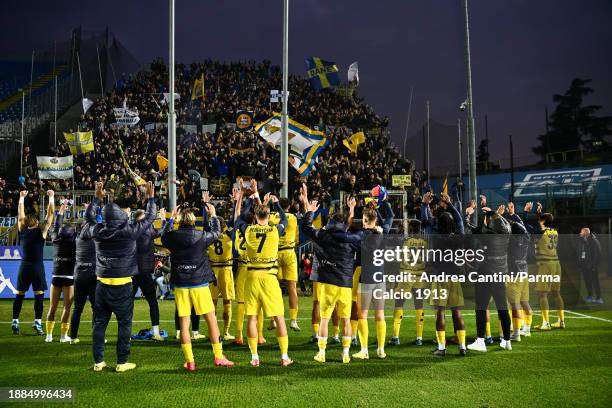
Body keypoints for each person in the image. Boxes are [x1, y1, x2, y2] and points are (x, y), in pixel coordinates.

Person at [87, 181, 157, 372]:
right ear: (122, 216)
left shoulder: (98, 231)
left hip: (101, 285)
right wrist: (150, 198)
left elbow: (89, 217)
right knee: (124, 324)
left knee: (99, 324)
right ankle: (121, 362)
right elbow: (151, 216)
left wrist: (96, 199)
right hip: (123, 285)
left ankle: (98, 362)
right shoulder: (130, 231)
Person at [161, 203, 234, 372]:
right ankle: (218, 356)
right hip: (199, 283)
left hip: (181, 283)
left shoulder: (172, 236)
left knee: (184, 323)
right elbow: (216, 233)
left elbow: (163, 236)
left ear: (180, 221)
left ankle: (190, 361)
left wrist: (170, 218)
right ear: (194, 222)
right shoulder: (201, 236)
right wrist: (214, 214)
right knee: (211, 320)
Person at [300, 183, 362, 364]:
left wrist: (310, 211)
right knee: (346, 321)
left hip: (328, 283)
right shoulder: (350, 239)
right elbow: (351, 230)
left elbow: (306, 228)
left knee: (325, 319)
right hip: (345, 285)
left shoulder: (324, 236)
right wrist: (352, 210)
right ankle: (345, 353)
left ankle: (321, 353)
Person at [234, 186, 293, 367]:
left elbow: (237, 221)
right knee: (279, 318)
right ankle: (284, 357)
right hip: (269, 277)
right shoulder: (275, 231)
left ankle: (254, 357)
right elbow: (284, 219)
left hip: (251, 277)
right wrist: (277, 204)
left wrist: (248, 200)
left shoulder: (249, 230)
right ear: (268, 216)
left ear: (255, 216)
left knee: (251, 317)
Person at [351, 190, 394, 360]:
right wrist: (381, 203)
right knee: (380, 315)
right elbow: (390, 216)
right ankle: (381, 349)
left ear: (365, 221)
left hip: (367, 280)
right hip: (380, 279)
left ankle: (364, 350)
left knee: (362, 315)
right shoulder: (384, 232)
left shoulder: (362, 236)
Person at [467, 205, 513, 352]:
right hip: (500, 275)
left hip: (486, 274)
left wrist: (468, 215)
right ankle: (506, 341)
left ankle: (480, 341)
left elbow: (470, 228)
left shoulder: (485, 233)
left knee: (480, 307)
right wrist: (497, 215)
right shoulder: (506, 232)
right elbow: (503, 224)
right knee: (503, 308)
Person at [12, 189, 54, 336]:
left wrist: (21, 198)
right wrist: (51, 198)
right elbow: (50, 216)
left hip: (24, 267)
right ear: (36, 222)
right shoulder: (40, 231)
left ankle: (15, 321)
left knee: (19, 294)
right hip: (37, 267)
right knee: (39, 295)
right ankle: (37, 323)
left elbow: (20, 215)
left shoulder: (22, 231)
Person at [524, 202, 565, 330]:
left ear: (542, 221)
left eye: (540, 219)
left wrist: (526, 212)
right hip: (556, 264)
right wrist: (539, 213)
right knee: (557, 293)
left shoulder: (540, 232)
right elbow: (543, 224)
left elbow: (525, 226)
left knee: (542, 294)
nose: (538, 221)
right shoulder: (554, 231)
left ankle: (546, 323)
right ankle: (561, 321)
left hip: (546, 264)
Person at [389, 219, 427, 346]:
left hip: (406, 274)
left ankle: (395, 337)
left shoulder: (405, 242)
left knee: (399, 304)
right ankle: (419, 338)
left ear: (410, 229)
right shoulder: (424, 243)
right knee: (419, 304)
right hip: (419, 275)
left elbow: (399, 258)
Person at [45, 202, 76, 343]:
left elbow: (56, 227)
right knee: (67, 308)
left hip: (55, 277)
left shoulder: (56, 240)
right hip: (69, 278)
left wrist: (61, 212)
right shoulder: (74, 243)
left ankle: (49, 336)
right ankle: (63, 336)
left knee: (52, 307)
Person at [132, 207, 164, 341]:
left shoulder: (130, 230)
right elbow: (162, 231)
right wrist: (164, 219)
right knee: (152, 303)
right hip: (145, 272)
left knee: (126, 304)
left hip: (131, 273)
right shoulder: (148, 230)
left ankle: (125, 333)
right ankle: (155, 332)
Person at [270, 197, 301, 332]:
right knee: (292, 288)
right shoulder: (293, 218)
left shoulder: (271, 216)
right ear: (290, 205)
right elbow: (297, 238)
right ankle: (293, 320)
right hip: (289, 252)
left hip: (275, 253)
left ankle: (273, 319)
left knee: (274, 289)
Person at [70, 202, 98, 344]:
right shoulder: (95, 241)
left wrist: (89, 210)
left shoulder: (77, 240)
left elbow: (92, 223)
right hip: (92, 276)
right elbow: (97, 224)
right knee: (96, 308)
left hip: (79, 275)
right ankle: (96, 337)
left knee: (77, 308)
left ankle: (73, 337)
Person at [504, 202, 533, 340]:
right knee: (524, 302)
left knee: (513, 304)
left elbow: (503, 230)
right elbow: (520, 225)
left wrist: (499, 215)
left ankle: (516, 333)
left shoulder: (510, 242)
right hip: (524, 272)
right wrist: (513, 214)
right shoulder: (526, 237)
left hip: (513, 274)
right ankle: (526, 329)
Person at [575, 227, 602, 304]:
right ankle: (590, 296)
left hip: (592, 266)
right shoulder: (581, 241)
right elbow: (579, 252)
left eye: (581, 232)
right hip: (584, 266)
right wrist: (580, 264)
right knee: (587, 281)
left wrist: (593, 265)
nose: (580, 233)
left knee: (595, 281)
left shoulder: (594, 241)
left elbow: (598, 254)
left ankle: (599, 297)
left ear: (585, 233)